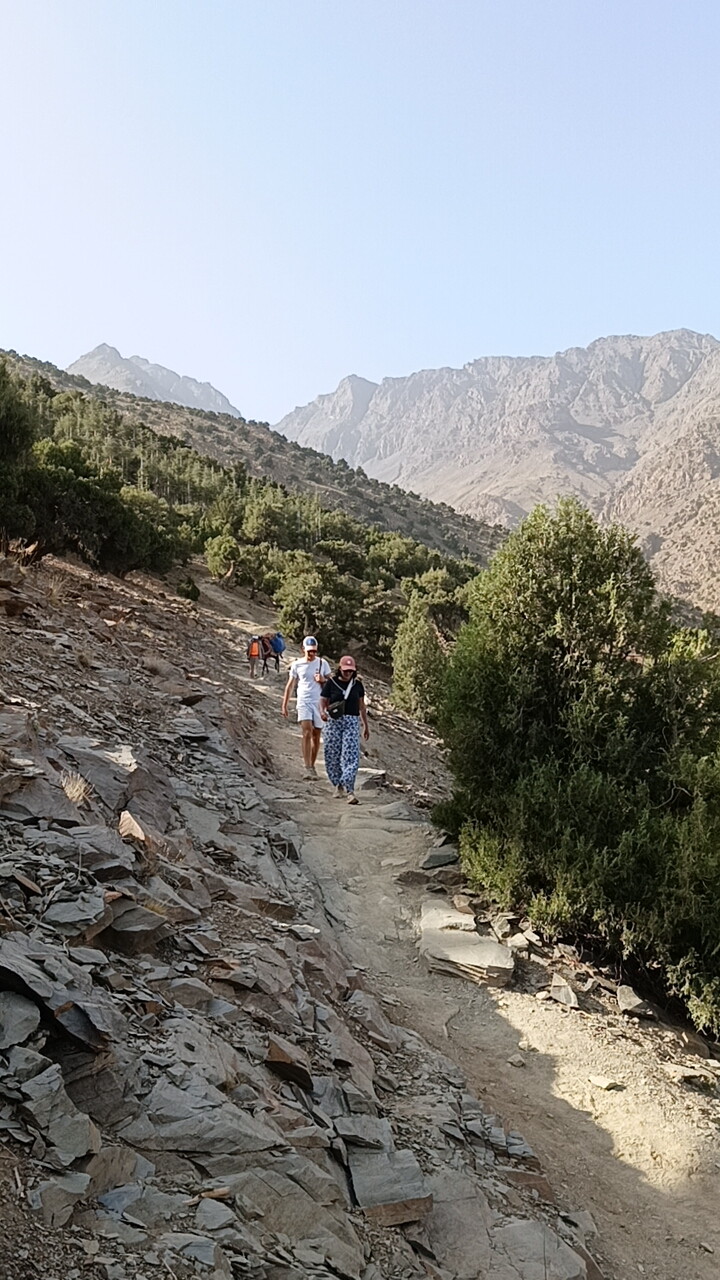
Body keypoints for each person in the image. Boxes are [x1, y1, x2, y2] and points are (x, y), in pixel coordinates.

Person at [319, 655, 369, 804]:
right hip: (333, 721)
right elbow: (322, 699)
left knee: (351, 754)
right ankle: (338, 784)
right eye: (345, 670)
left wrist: (365, 724)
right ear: (340, 669)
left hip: (351, 722)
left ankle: (350, 790)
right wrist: (322, 712)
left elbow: (361, 706)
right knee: (332, 754)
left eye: (350, 671)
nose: (347, 673)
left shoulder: (357, 685)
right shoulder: (331, 683)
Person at [281, 636, 331, 779]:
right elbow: (290, 685)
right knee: (307, 732)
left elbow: (332, 683)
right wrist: (284, 705)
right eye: (309, 651)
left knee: (316, 735)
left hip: (319, 703)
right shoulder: (297, 665)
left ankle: (312, 765)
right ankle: (307, 767)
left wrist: (323, 680)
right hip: (303, 701)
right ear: (303, 649)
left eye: (314, 651)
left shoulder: (323, 663)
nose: (312, 654)